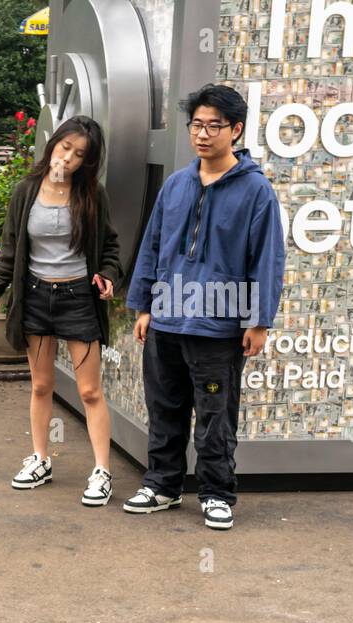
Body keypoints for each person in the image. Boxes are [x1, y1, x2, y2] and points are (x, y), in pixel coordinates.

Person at [123, 84, 284, 530]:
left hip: (218, 326)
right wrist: (143, 305)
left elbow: (266, 258)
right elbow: (152, 247)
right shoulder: (176, 185)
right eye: (197, 124)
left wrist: (259, 320)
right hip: (167, 320)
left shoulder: (256, 191)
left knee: (215, 414)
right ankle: (162, 485)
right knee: (164, 406)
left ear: (235, 130)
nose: (204, 134)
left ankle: (215, 492)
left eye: (215, 125)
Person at [0, 115, 123, 506]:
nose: (70, 158)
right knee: (41, 386)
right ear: (53, 144)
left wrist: (108, 275)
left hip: (78, 298)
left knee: (90, 390)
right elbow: (10, 250)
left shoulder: (92, 194)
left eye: (79, 155)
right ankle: (41, 458)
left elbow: (110, 247)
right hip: (37, 297)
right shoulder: (26, 191)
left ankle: (102, 471)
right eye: (65, 148)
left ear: (87, 162)